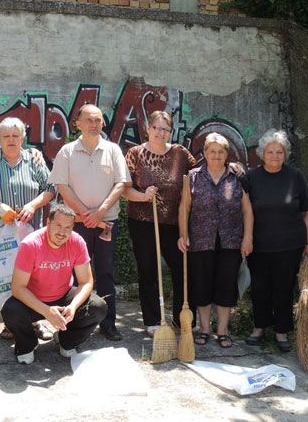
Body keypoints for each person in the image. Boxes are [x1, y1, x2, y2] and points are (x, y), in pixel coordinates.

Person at [49, 104, 131, 341]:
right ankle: (72, 324)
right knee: (73, 275)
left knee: (105, 273)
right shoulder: (67, 152)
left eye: (98, 120)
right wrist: (86, 214)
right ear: (78, 124)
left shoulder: (113, 150)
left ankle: (108, 324)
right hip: (76, 224)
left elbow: (121, 183)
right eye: (89, 120)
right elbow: (62, 186)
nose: (94, 125)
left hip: (107, 223)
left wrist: (100, 211)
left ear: (102, 123)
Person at [0, 117, 56, 340]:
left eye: (15, 136)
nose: (11, 140)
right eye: (6, 136)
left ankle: (37, 322)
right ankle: (10, 324)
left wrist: (33, 205)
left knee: (33, 277)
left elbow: (50, 188)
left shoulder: (33, 161)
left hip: (31, 233)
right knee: (5, 278)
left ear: (23, 139)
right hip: (1, 234)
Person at [1, 204, 108, 364]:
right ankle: (27, 344)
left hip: (63, 295)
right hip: (34, 299)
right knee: (10, 312)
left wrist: (72, 307)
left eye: (68, 228)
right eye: (58, 225)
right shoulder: (30, 244)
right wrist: (46, 311)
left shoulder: (77, 242)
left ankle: (67, 340)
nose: (62, 232)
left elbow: (86, 282)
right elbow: (17, 288)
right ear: (48, 223)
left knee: (97, 307)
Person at [123, 110, 198, 337]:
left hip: (175, 222)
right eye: (157, 127)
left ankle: (182, 318)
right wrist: (143, 196)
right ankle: (153, 320)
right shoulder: (135, 153)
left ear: (170, 131)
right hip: (143, 221)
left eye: (166, 129)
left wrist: (232, 170)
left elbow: (197, 175)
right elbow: (124, 188)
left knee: (182, 269)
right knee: (148, 269)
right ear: (148, 128)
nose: (161, 132)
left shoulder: (180, 154)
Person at [177, 133, 253, 348]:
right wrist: (183, 235)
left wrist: (248, 238)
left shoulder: (237, 177)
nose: (216, 155)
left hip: (231, 239)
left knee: (226, 285)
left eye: (221, 151)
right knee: (202, 284)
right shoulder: (192, 176)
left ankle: (223, 330)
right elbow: (185, 207)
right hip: (200, 239)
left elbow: (247, 209)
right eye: (212, 151)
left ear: (227, 154)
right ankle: (204, 329)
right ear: (204, 153)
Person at [244, 129, 308, 352]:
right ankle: (259, 327)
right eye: (270, 152)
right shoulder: (251, 177)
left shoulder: (295, 176)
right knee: (260, 287)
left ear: (285, 154)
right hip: (259, 245)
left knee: (283, 288)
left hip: (289, 245)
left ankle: (281, 331)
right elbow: (244, 210)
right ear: (262, 154)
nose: (275, 156)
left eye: (279, 152)